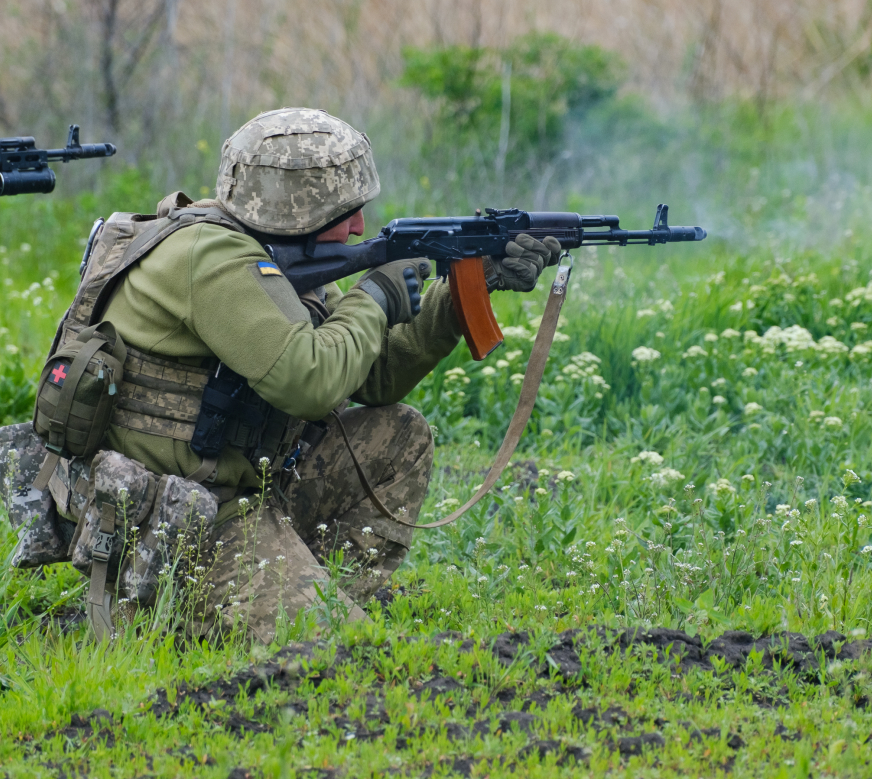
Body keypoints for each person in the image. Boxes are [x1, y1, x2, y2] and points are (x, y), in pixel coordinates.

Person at [54, 107, 560, 643]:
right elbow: (312, 383)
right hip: (180, 522)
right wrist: (376, 296)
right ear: (297, 210)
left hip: (239, 492)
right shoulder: (210, 257)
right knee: (344, 651)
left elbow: (372, 376)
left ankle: (296, 587)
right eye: (346, 210)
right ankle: (170, 605)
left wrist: (457, 297)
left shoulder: (270, 253)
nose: (361, 226)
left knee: (398, 435)